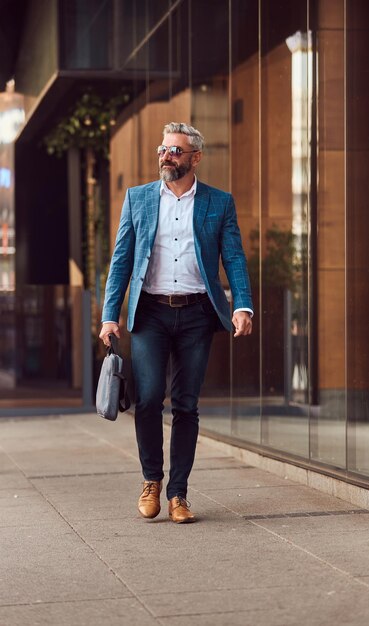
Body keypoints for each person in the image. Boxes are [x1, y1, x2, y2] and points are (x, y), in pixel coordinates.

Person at [99, 122, 253, 524]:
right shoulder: (139, 199)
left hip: (198, 314)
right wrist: (109, 317)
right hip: (149, 312)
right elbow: (121, 262)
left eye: (175, 151)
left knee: (186, 404)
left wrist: (243, 307)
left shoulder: (219, 203)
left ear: (195, 158)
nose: (166, 157)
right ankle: (151, 480)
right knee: (149, 399)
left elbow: (234, 258)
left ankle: (178, 494)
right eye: (163, 150)